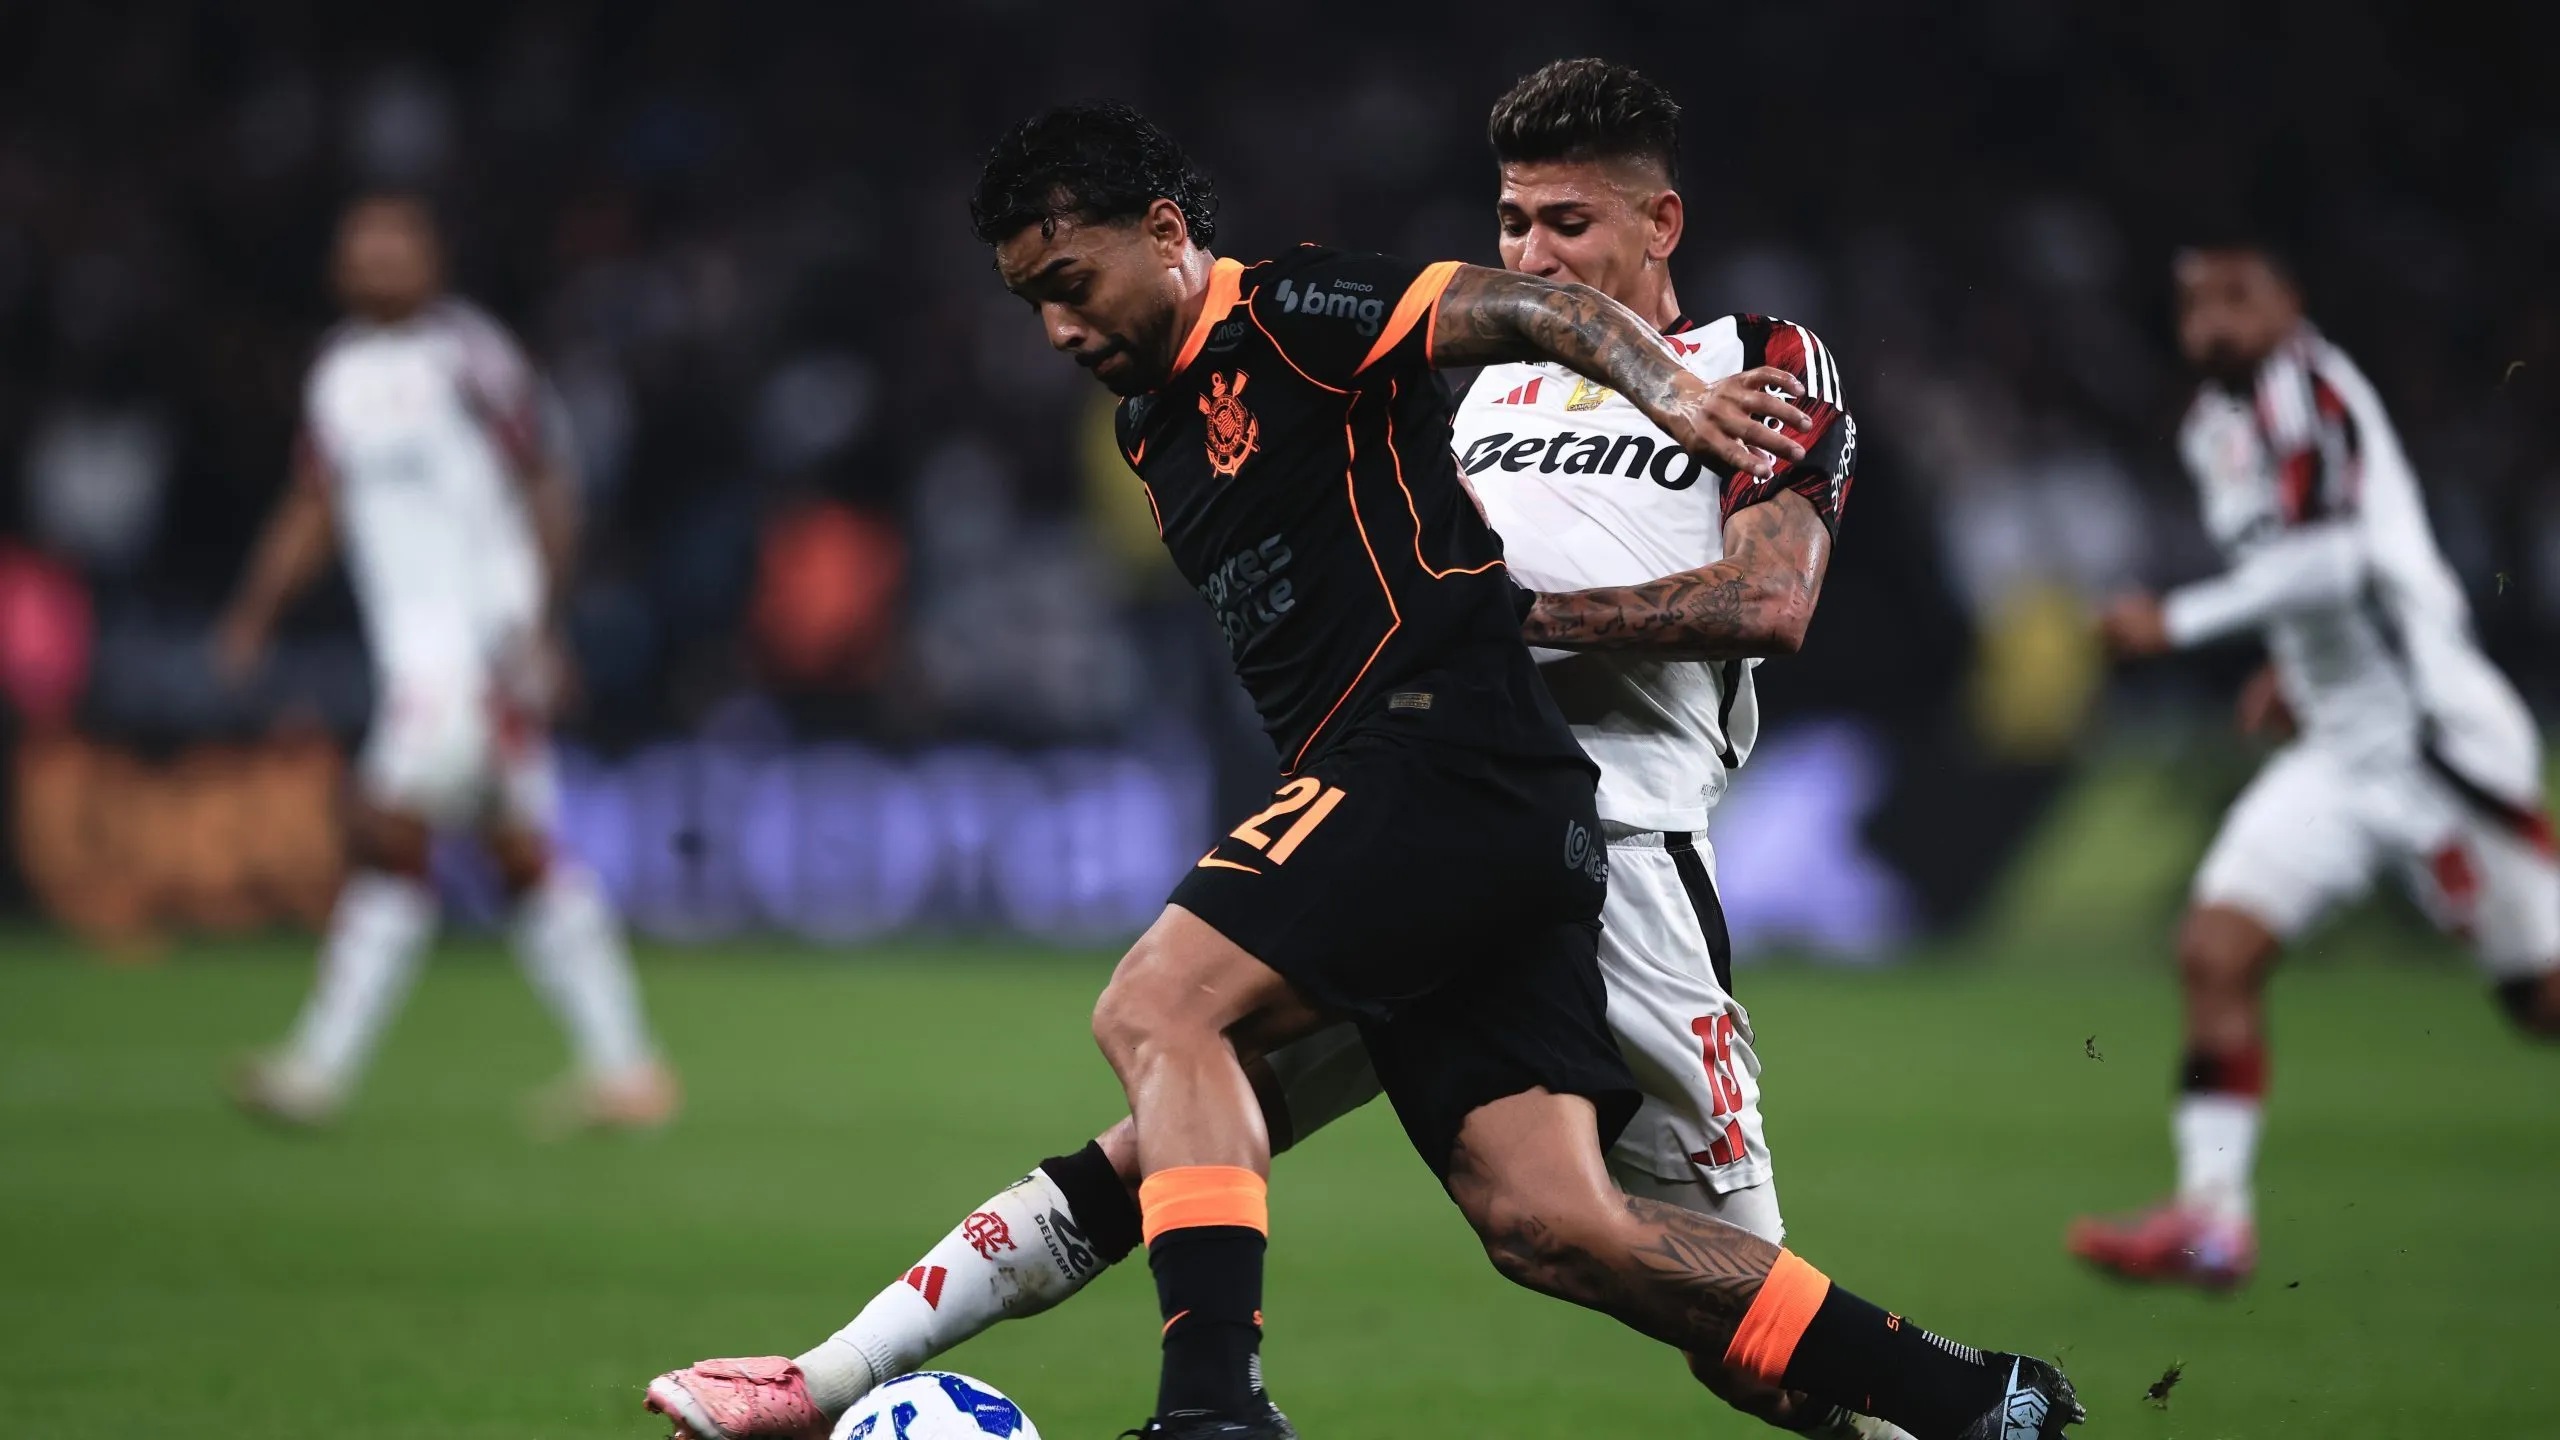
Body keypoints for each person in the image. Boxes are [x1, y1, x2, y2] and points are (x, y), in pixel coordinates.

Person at [649, 100, 2078, 1440]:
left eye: (1072, 282)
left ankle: (1212, 1406)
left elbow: (1540, 321)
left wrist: (1677, 401)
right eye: (1032, 301)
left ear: (1163, 231)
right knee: (1549, 1226)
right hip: (1478, 818)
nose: (1057, 326)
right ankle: (1979, 1399)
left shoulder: (1295, 311)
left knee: (1160, 1012)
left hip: (1446, 761)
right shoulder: (1156, 422)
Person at [2071, 241, 2559, 1287]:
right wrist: (2299, 670)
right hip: (2339, 751)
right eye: (2195, 302)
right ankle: (2212, 1220)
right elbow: (2322, 580)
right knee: (2214, 949)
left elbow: (2336, 556)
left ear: (2291, 302)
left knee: (2542, 1004)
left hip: (2434, 746)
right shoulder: (2213, 429)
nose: (2213, 322)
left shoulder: (2312, 395)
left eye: (2239, 298)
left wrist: (2177, 620)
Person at [217, 195, 676, 1133]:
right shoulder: (339, 373)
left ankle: (317, 1071)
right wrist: (256, 609)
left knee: (387, 830)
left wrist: (541, 623)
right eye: (362, 245)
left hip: (476, 649)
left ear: (435, 259)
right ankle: (628, 1072)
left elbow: (550, 480)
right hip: (420, 653)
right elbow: (316, 500)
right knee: (519, 858)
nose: (379, 260)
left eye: (399, 244)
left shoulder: (471, 355)